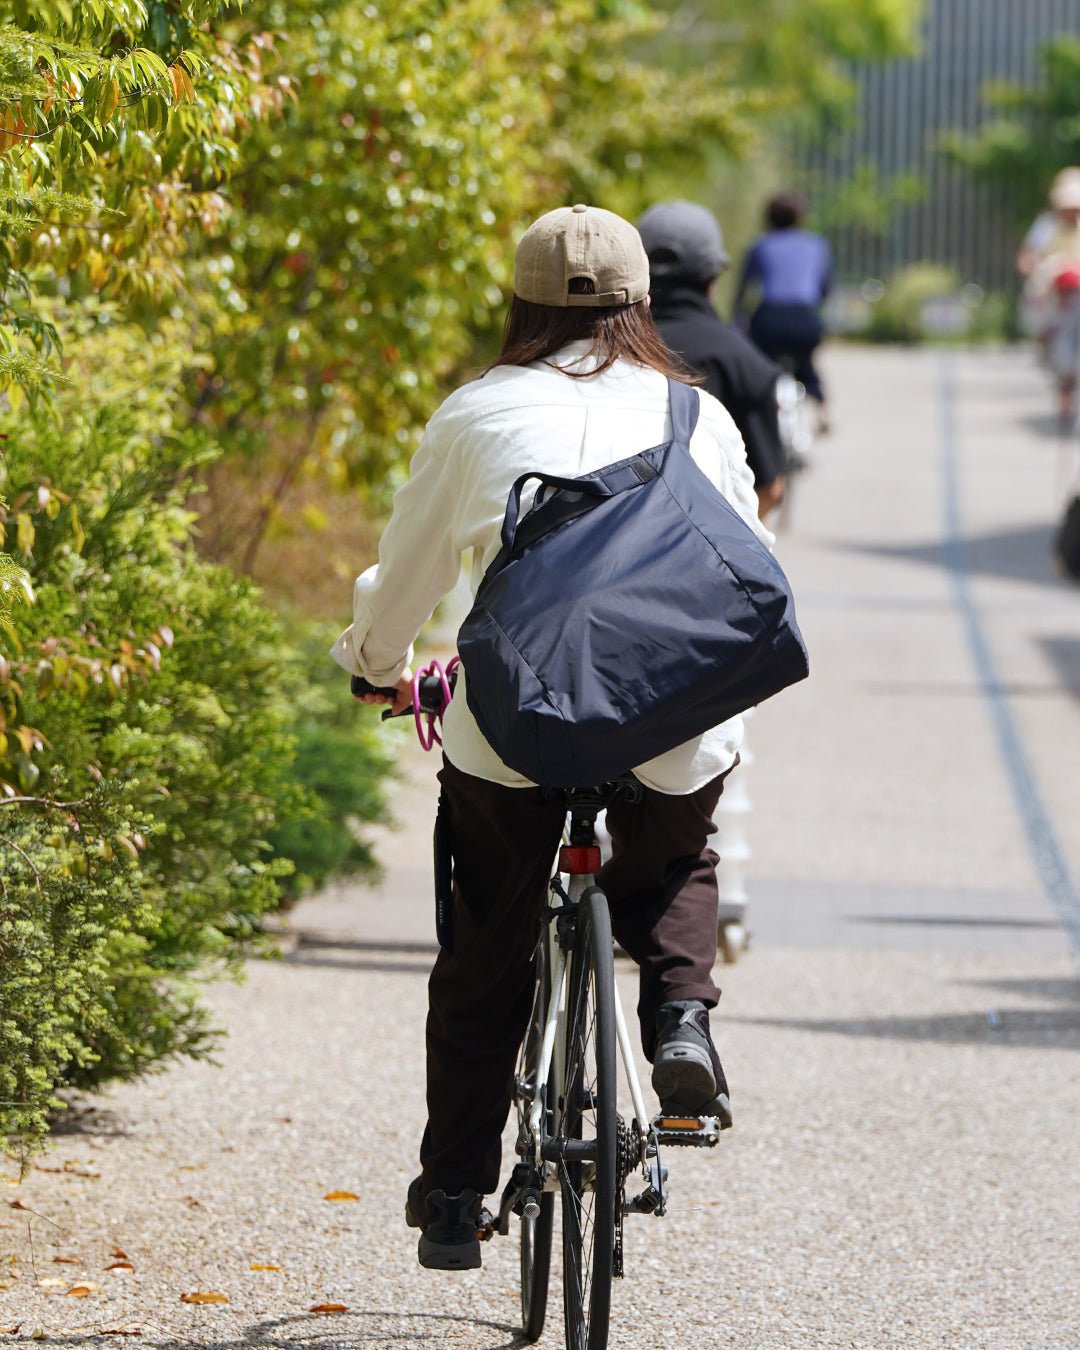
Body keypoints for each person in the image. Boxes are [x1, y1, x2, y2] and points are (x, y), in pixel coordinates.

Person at [331, 204, 772, 1273]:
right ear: (640, 304)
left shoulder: (476, 413)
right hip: (668, 712)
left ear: (521, 302)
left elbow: (415, 570)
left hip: (515, 723)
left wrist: (374, 662)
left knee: (486, 944)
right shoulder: (696, 416)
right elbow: (753, 563)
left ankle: (451, 1194)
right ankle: (677, 1024)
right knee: (675, 855)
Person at [637, 198, 787, 518]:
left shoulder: (605, 348)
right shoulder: (745, 362)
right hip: (706, 554)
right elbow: (769, 489)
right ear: (713, 275)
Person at [733, 191, 832, 427]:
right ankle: (823, 409)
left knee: (762, 365)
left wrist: (737, 318)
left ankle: (756, 414)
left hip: (770, 318)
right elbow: (825, 289)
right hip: (805, 318)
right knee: (805, 362)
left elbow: (743, 291)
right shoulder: (817, 245)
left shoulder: (760, 246)